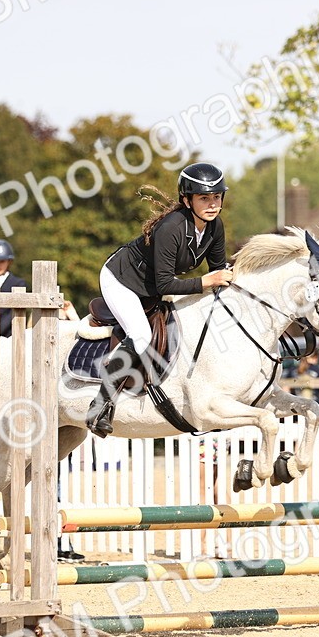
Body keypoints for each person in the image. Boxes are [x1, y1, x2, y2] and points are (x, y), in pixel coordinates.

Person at [85, 161, 236, 437]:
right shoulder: (171, 227)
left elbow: (218, 271)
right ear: (187, 200)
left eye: (217, 197)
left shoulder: (215, 227)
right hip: (122, 281)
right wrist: (206, 281)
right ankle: (100, 405)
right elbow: (168, 283)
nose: (212, 204)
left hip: (153, 285)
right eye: (204, 198)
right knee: (141, 335)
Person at [0, 239, 29, 339]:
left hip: (9, 337)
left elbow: (10, 316)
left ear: (9, 262)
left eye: (2, 261)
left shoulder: (18, 284)